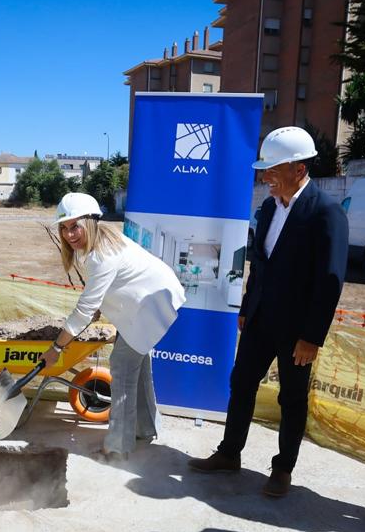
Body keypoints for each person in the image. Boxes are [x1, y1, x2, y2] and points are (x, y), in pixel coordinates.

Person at [188, 126, 348, 497]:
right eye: (264, 169)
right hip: (260, 320)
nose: (265, 177)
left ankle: (282, 470)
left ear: (299, 169)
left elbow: (330, 280)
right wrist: (247, 308)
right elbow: (259, 265)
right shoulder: (268, 208)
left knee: (291, 399)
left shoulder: (327, 213)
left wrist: (311, 336)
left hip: (297, 333)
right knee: (240, 384)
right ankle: (229, 453)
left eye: (273, 169)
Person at [40, 192, 185, 458]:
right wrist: (95, 307)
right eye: (64, 228)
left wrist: (56, 349)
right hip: (146, 305)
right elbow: (106, 291)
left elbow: (83, 309)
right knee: (137, 370)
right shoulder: (104, 241)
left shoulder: (101, 254)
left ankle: (118, 447)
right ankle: (146, 428)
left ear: (91, 221)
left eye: (75, 226)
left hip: (150, 307)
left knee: (122, 367)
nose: (69, 234)